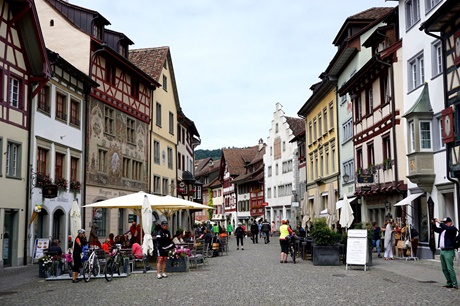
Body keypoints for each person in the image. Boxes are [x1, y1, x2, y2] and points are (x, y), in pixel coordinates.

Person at [433, 217, 458, 289]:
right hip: (442, 250)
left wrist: (440, 223)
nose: (445, 224)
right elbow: (436, 229)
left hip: (449, 250)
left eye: (446, 222)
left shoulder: (453, 229)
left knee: (450, 268)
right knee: (444, 268)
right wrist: (433, 224)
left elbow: (448, 229)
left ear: (451, 222)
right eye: (444, 223)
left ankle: (454, 283)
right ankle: (449, 282)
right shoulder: (443, 229)